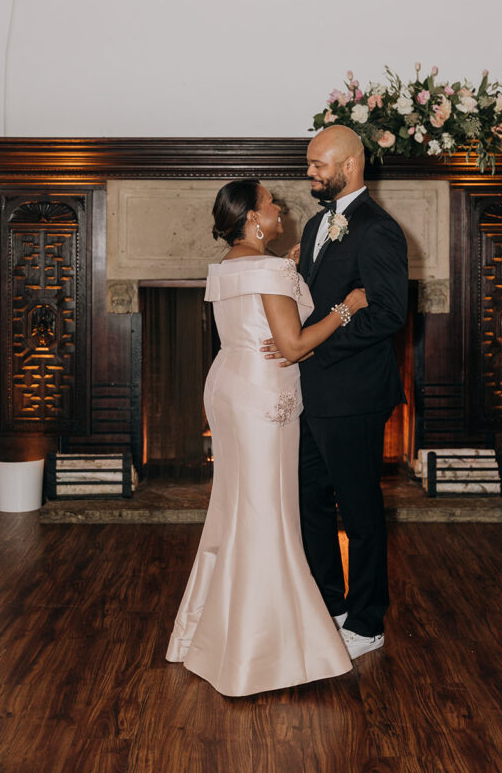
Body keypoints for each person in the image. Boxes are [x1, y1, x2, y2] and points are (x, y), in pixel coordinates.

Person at [165, 178, 368, 697]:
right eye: (271, 203)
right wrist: (349, 306)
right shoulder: (272, 270)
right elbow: (294, 345)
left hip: (229, 385)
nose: (280, 208)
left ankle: (208, 633)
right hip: (264, 398)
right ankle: (261, 649)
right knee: (268, 512)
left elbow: (254, 318)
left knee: (235, 507)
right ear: (255, 218)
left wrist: (289, 272)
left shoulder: (229, 266)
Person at [265, 125, 408, 660]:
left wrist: (312, 347)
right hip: (313, 393)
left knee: (361, 509)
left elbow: (389, 314)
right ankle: (330, 603)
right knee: (309, 499)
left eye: (318, 165)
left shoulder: (378, 229)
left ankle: (368, 621)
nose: (310, 174)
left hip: (353, 395)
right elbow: (314, 297)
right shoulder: (321, 221)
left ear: (349, 165)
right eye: (309, 164)